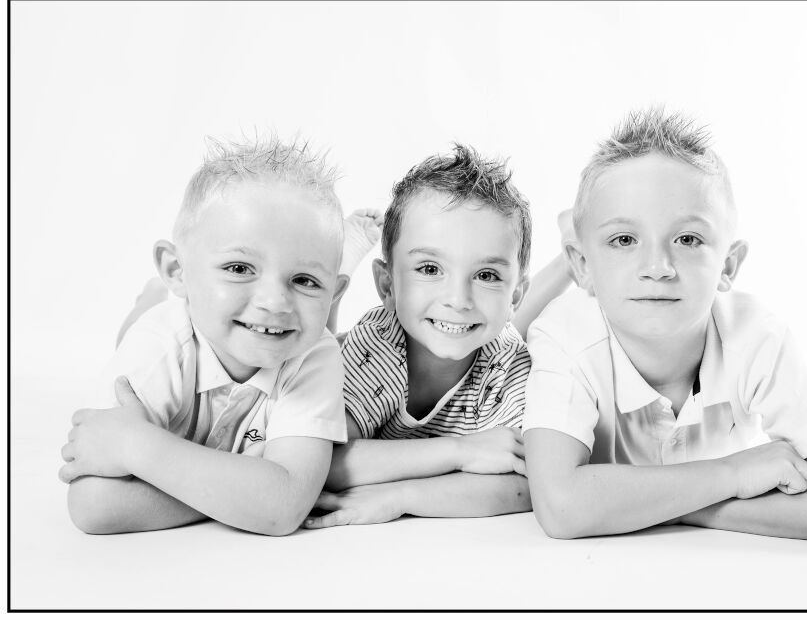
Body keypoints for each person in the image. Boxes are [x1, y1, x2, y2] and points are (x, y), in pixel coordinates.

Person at [523, 110, 807, 544]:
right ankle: (580, 234)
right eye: (624, 240)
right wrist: (733, 474)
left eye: (688, 239)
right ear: (582, 265)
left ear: (728, 266)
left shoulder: (757, 338)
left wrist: (666, 505)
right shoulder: (565, 335)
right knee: (509, 328)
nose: (658, 267)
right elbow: (562, 508)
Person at [59, 136, 350, 536]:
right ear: (177, 269)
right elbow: (93, 506)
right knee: (135, 330)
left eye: (304, 280)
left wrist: (138, 446)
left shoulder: (316, 354)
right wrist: (252, 485)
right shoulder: (157, 348)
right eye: (239, 268)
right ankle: (151, 299)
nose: (274, 302)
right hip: (162, 333)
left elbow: (284, 506)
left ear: (333, 294)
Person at [305, 144, 571, 528]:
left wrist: (400, 497)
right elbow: (317, 460)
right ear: (387, 285)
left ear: (515, 295)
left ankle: (569, 256)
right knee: (318, 344)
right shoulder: (377, 346)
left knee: (514, 331)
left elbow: (528, 484)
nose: (458, 300)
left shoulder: (509, 365)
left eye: (486, 275)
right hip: (333, 358)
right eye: (430, 269)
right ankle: (336, 277)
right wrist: (461, 451)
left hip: (496, 339)